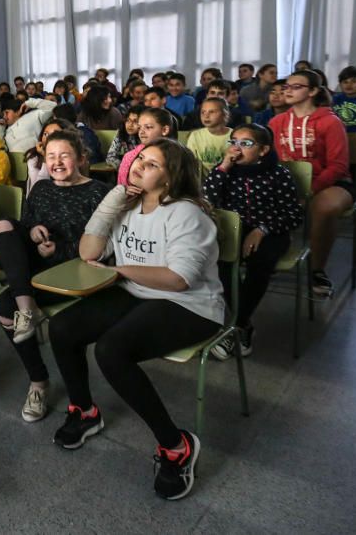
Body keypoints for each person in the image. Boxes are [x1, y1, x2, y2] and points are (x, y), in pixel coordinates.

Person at [49, 139, 224, 501]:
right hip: (136, 291)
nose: (140, 165)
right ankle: (84, 411)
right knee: (62, 328)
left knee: (112, 350)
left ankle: (176, 446)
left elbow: (179, 279)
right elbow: (88, 253)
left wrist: (119, 269)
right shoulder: (127, 205)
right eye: (140, 158)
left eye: (153, 164)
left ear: (171, 176)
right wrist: (113, 200)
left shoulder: (186, 213)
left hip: (190, 304)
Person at [0, 131, 109, 421]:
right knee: (6, 225)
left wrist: (58, 249)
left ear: (82, 158)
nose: (56, 162)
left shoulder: (100, 192)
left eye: (65, 155)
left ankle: (24, 315)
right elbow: (30, 220)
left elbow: (102, 246)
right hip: (37, 265)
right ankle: (38, 378)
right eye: (51, 156)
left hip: (74, 271)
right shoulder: (42, 187)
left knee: (4, 307)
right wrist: (33, 232)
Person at [203, 124, 303, 359]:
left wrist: (262, 229)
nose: (236, 148)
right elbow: (206, 199)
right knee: (221, 261)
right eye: (233, 142)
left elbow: (293, 214)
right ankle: (243, 324)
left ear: (263, 150)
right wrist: (224, 167)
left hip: (271, 231)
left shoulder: (278, 174)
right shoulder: (226, 171)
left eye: (245, 144)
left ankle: (236, 325)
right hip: (233, 230)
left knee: (260, 263)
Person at [269, 70, 352, 297]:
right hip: (290, 182)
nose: (287, 90)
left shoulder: (330, 122)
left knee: (324, 207)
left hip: (330, 182)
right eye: (287, 86)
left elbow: (338, 166)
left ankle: (317, 269)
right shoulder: (277, 122)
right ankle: (267, 258)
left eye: (296, 87)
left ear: (313, 91)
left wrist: (310, 191)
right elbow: (271, 159)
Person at [117, 108, 176, 186]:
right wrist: (125, 190)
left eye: (148, 127)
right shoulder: (129, 156)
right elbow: (121, 188)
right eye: (140, 127)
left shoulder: (176, 155)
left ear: (164, 130)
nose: (141, 132)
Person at [25, 118, 73, 196]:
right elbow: (37, 189)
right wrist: (46, 158)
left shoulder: (72, 156)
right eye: (45, 134)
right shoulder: (34, 156)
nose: (48, 138)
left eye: (54, 134)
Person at [185, 98, 232, 168]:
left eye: (212, 112)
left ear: (225, 114)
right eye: (203, 112)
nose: (206, 116)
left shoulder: (234, 136)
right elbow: (190, 162)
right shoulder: (195, 135)